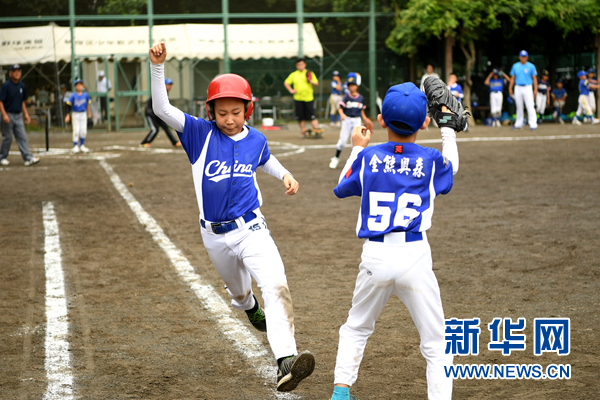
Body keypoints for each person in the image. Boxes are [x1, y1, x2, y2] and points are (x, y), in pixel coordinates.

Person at [149, 42, 315, 392]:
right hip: (214, 235)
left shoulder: (255, 139)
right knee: (240, 294)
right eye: (221, 112)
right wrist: (157, 67)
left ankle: (286, 359)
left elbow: (264, 158)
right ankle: (248, 305)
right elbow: (161, 109)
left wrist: (284, 174)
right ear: (211, 111)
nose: (228, 119)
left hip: (252, 227)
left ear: (247, 109)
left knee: (276, 285)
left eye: (235, 112)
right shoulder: (198, 134)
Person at [329, 81, 458, 400]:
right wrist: (448, 130)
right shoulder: (429, 159)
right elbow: (451, 170)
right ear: (424, 122)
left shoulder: (370, 156)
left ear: (382, 120)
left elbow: (342, 185)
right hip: (414, 255)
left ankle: (341, 392)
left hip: (375, 255)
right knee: (437, 342)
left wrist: (358, 147)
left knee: (356, 327)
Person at [329, 73, 372, 169]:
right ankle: (336, 158)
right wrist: (342, 114)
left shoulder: (360, 98)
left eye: (353, 85)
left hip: (357, 120)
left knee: (356, 142)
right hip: (347, 119)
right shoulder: (346, 97)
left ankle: (355, 162)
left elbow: (361, 110)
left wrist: (365, 119)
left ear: (357, 86)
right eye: (349, 85)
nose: (351, 87)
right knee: (343, 141)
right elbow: (340, 108)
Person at [0, 64, 40, 167]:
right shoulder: (6, 86)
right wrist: (4, 115)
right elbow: (0, 101)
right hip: (8, 114)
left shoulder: (22, 86)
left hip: (18, 115)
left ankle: (28, 158)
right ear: (10, 73)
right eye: (15, 71)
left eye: (19, 71)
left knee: (22, 137)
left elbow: (22, 102)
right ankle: (2, 157)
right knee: (8, 137)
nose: (17, 73)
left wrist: (26, 114)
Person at [140, 78, 181, 148]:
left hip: (157, 113)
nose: (170, 86)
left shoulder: (165, 93)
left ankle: (175, 142)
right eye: (168, 84)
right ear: (164, 85)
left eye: (171, 85)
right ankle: (145, 142)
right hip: (150, 112)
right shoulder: (160, 92)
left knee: (166, 127)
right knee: (155, 129)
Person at [284, 58, 321, 135]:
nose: (300, 66)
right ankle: (303, 131)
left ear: (305, 64)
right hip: (298, 98)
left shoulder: (309, 73)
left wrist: (310, 81)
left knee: (312, 115)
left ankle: (317, 130)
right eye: (298, 65)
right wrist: (291, 90)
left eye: (302, 64)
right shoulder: (294, 74)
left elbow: (317, 83)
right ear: (296, 66)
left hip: (309, 98)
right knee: (300, 116)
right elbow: (286, 83)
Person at [508, 50, 538, 130]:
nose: (523, 58)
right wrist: (510, 87)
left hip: (528, 87)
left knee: (530, 105)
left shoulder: (531, 66)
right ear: (519, 57)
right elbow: (512, 78)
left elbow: (534, 78)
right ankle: (518, 123)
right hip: (518, 87)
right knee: (519, 106)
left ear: (527, 57)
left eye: (525, 56)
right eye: (522, 56)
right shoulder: (515, 66)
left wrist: (535, 89)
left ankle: (533, 123)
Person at [64, 79, 93, 153]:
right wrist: (68, 115)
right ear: (75, 87)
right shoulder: (73, 95)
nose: (79, 86)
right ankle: (75, 146)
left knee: (83, 130)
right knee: (76, 129)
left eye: (80, 85)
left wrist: (89, 114)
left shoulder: (85, 95)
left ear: (82, 86)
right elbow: (68, 105)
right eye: (77, 85)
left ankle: (82, 145)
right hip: (75, 114)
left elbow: (87, 105)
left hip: (83, 114)